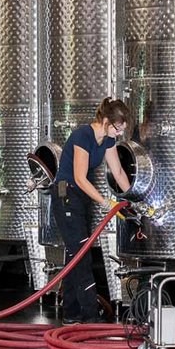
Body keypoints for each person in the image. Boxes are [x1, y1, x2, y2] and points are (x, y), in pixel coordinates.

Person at [51, 97, 132, 325]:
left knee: (73, 256)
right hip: (66, 196)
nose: (119, 134)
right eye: (117, 128)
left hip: (81, 199)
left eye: (122, 130)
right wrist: (106, 202)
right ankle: (90, 317)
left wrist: (133, 199)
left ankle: (71, 314)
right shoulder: (82, 136)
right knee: (81, 255)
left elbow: (118, 172)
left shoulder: (107, 141)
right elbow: (78, 177)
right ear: (106, 121)